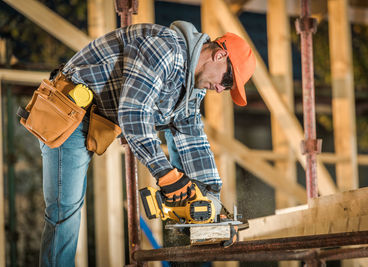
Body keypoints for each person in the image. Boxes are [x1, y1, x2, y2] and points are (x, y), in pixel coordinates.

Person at [38, 20, 255, 266]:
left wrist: (212, 202)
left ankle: (196, 212)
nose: (219, 88)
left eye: (226, 88)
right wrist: (166, 174)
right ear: (219, 54)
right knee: (65, 210)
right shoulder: (164, 48)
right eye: (227, 81)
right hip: (67, 111)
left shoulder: (194, 88)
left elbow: (191, 135)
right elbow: (133, 114)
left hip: (99, 118)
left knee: (181, 132)